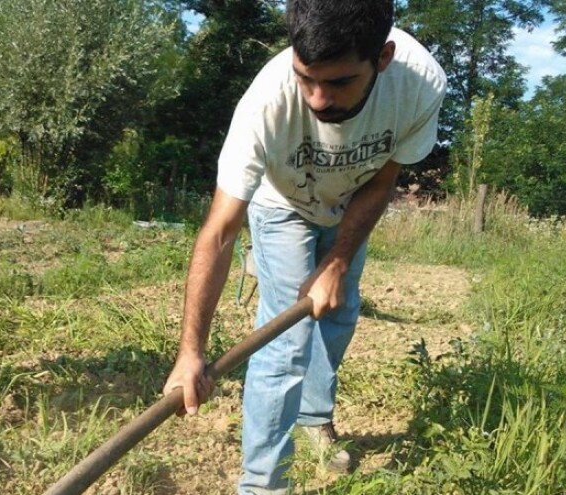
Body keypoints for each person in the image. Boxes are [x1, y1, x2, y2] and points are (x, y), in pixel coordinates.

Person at [162, 0, 447, 492]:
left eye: (338, 83)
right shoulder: (265, 104)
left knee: (338, 312)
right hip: (282, 204)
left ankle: (315, 417)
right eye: (305, 78)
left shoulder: (419, 85)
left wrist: (337, 260)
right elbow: (220, 231)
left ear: (382, 58)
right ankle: (262, 485)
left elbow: (383, 179)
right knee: (283, 341)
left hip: (350, 204)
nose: (317, 99)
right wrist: (191, 351)